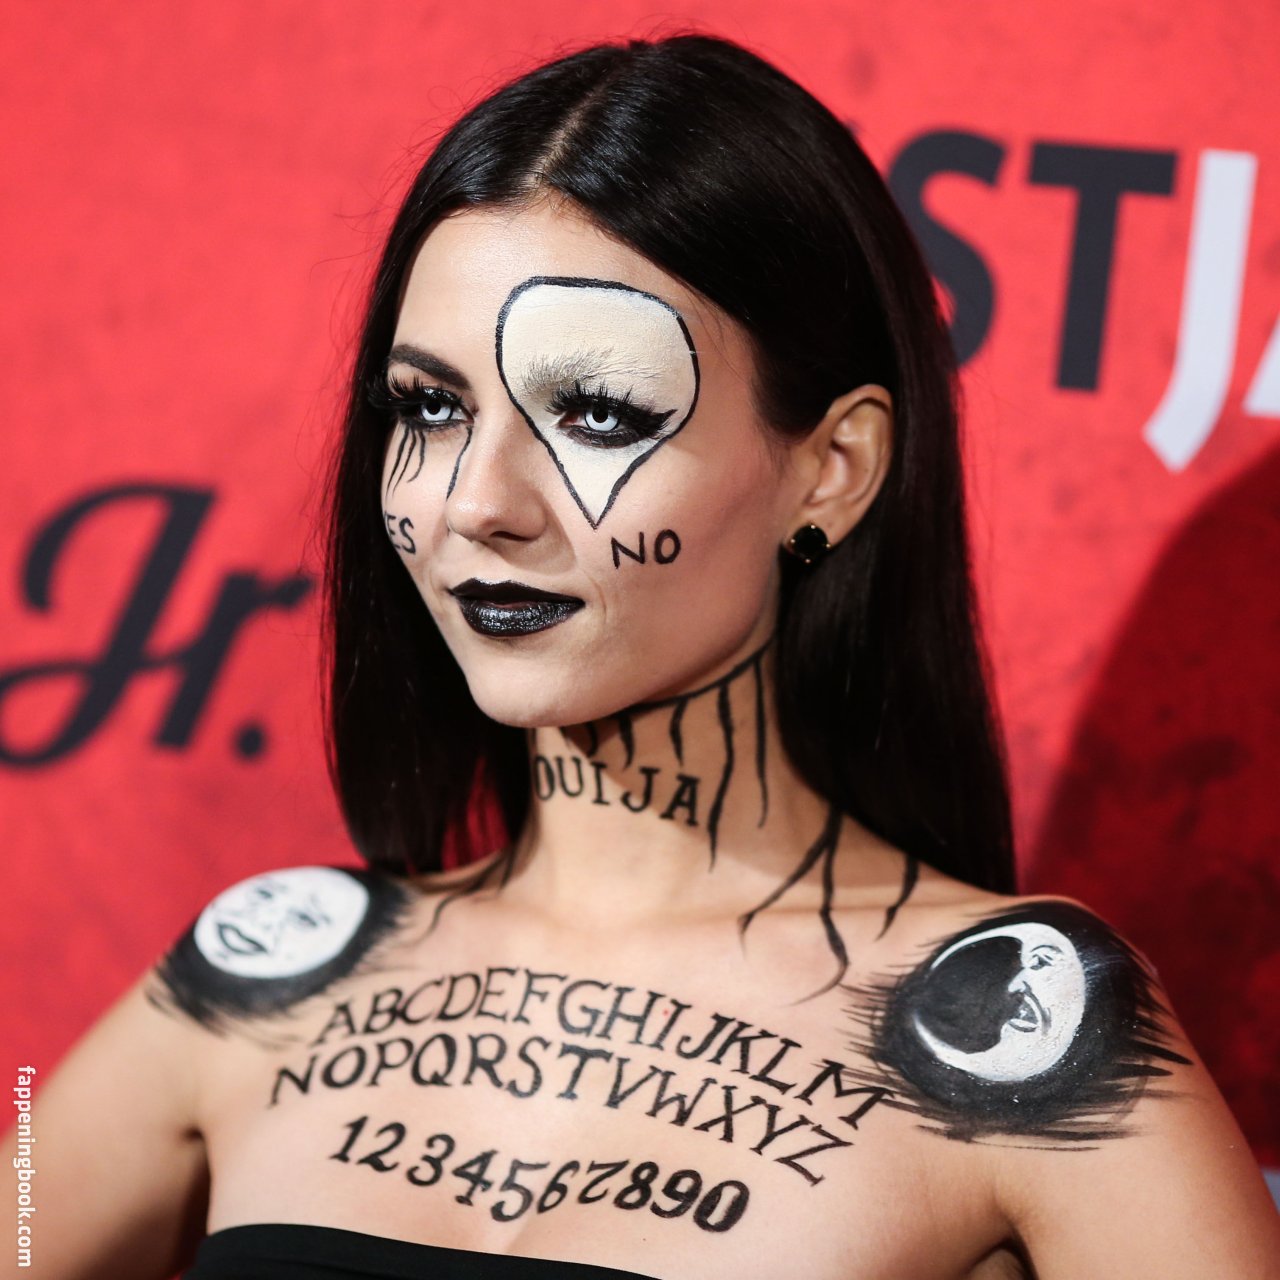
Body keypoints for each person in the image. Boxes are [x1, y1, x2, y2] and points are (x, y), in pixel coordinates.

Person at [10, 32, 1279, 1280]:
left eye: (598, 412)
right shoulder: (264, 980)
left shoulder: (1020, 1037)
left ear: (830, 471)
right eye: (430, 406)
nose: (477, 502)